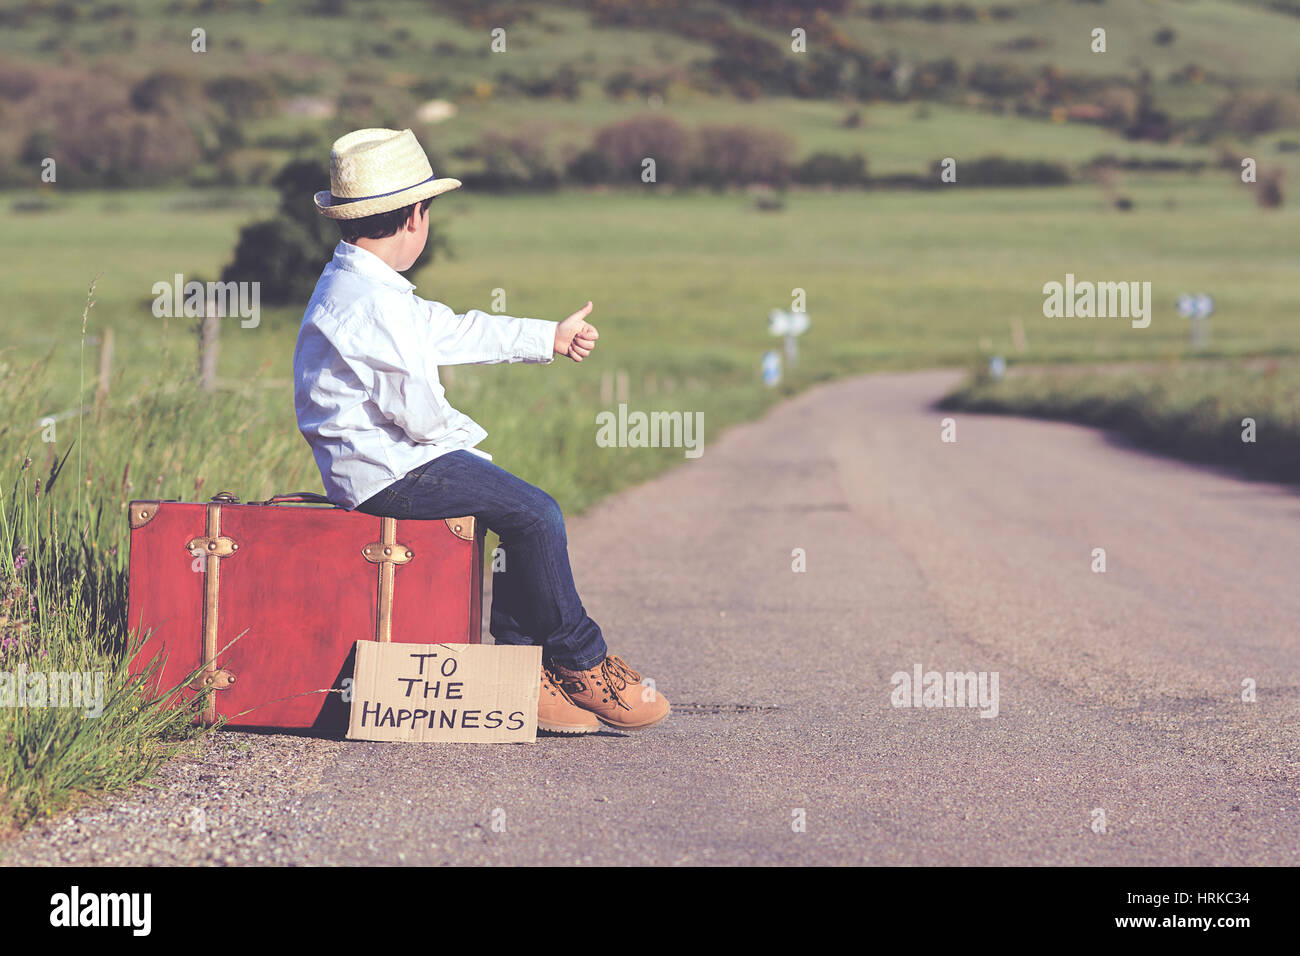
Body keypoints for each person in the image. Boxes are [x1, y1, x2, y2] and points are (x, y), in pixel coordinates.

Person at [293, 128, 670, 734]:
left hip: (388, 462)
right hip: (388, 472)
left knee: (516, 511)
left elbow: (451, 330)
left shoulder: (365, 288)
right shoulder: (371, 303)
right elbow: (417, 414)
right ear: (417, 216)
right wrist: (469, 449)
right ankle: (582, 660)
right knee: (536, 513)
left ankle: (524, 678)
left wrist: (545, 335)